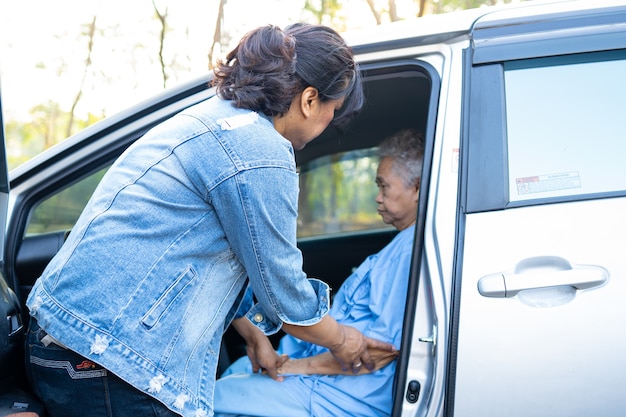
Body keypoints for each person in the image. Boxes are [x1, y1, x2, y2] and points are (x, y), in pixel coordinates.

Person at [24, 23, 395, 417]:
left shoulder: (215, 118)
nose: (326, 125)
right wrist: (343, 341)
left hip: (67, 340)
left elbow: (199, 246)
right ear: (308, 100)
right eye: (331, 111)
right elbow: (284, 291)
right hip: (112, 361)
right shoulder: (262, 151)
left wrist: (252, 333)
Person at [213, 128, 425, 417]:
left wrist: (297, 368)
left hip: (341, 390)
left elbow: (384, 349)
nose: (377, 197)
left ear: (416, 189)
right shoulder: (400, 245)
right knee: (237, 372)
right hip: (324, 371)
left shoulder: (408, 251)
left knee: (216, 399)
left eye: (384, 187)